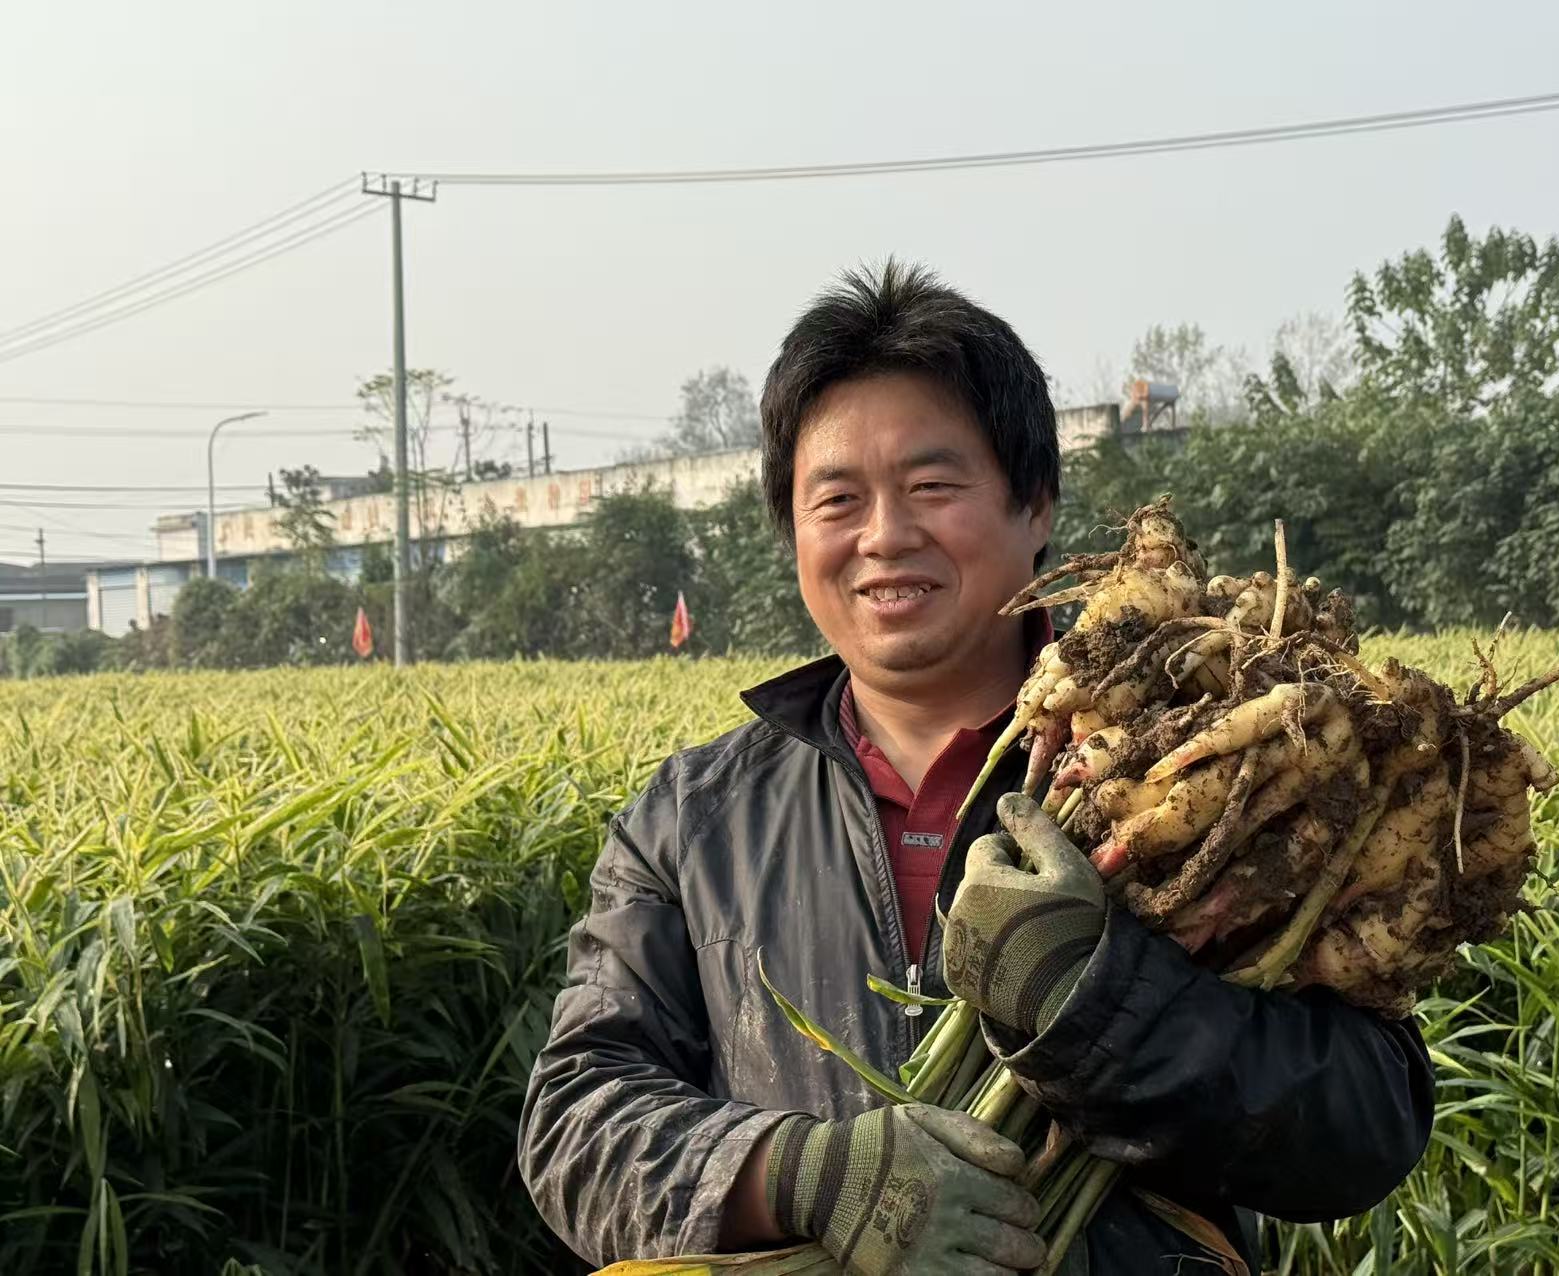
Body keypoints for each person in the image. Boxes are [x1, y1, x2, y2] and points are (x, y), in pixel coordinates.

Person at [518, 261, 1433, 1273]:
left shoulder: (1205, 765)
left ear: (1034, 505)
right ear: (793, 531)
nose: (884, 536)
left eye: (932, 487)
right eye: (837, 499)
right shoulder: (693, 820)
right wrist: (801, 1175)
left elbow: (1369, 1119)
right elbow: (574, 1117)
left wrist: (1093, 1001)